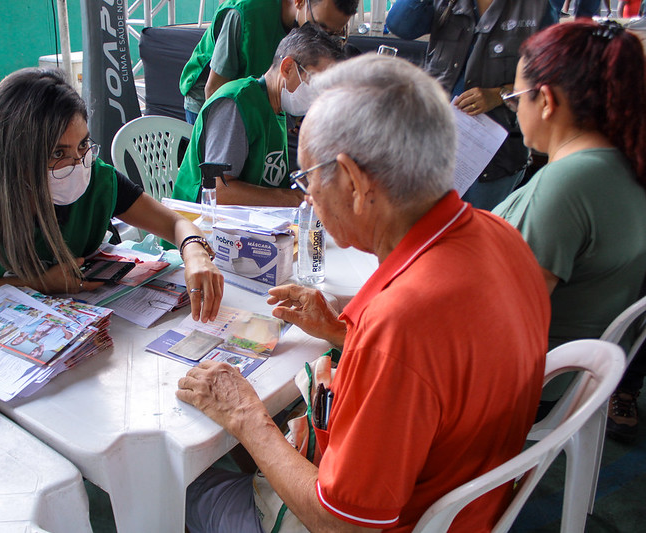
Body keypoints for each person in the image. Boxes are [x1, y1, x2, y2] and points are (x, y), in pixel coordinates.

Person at [177, 54, 550, 532]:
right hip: (466, 491)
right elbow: (443, 374)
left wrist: (246, 414)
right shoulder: (503, 238)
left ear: (353, 182)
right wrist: (339, 331)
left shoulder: (400, 320)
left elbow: (344, 524)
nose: (306, 198)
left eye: (307, 179)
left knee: (183, 487)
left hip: (391, 518)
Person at [0, 68, 224, 324]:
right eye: (56, 153)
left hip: (72, 318)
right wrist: (36, 283)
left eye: (82, 145)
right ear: (13, 153)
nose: (76, 164)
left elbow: (174, 224)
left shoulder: (95, 179)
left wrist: (194, 250)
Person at [492, 20, 646, 412]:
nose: (515, 110)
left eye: (516, 97)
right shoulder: (624, 163)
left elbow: (500, 321)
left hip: (522, 388)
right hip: (574, 381)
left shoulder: (568, 184)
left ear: (545, 100)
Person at [387, 0, 557, 211]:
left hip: (494, 158)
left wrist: (499, 94)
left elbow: (551, 79)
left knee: (477, 235)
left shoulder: (537, 8)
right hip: (432, 143)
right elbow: (400, 25)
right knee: (424, 230)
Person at [173, 24, 344, 207]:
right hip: (198, 227)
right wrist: (294, 198)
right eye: (318, 83)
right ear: (287, 68)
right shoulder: (237, 103)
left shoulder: (279, 111)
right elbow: (219, 192)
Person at [180, 0, 357, 125]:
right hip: (209, 101)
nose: (324, 37)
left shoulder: (307, 24)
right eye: (321, 27)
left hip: (256, 101)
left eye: (334, 32)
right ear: (300, 1)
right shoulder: (245, 13)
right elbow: (214, 89)